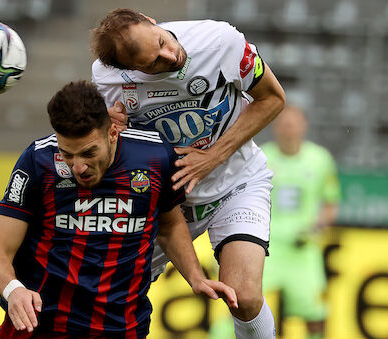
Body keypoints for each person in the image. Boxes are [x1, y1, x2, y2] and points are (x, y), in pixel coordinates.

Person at [0, 80, 238, 339]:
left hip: (121, 328)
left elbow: (170, 226)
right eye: (67, 154)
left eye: (88, 153)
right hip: (41, 326)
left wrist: (195, 277)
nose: (77, 166)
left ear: (113, 132)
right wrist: (13, 290)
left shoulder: (154, 156)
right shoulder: (37, 160)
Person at [90, 8, 286, 338]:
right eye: (154, 62)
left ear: (151, 20)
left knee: (244, 297)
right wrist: (112, 132)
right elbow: (102, 150)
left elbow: (272, 99)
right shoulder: (107, 80)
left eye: (162, 41)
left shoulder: (220, 42)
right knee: (107, 296)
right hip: (168, 207)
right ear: (131, 70)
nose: (171, 55)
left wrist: (211, 157)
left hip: (235, 183)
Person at [261, 105, 340, 339]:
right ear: (275, 127)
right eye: (284, 124)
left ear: (304, 126)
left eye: (293, 124)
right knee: (244, 306)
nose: (289, 129)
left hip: (303, 250)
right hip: (267, 247)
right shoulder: (261, 157)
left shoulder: (320, 159)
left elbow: (330, 204)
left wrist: (315, 227)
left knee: (315, 314)